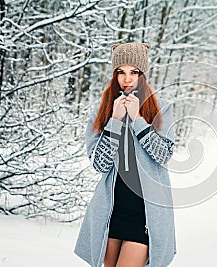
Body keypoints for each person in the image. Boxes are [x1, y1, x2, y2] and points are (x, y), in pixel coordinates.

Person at [74, 42, 177, 267]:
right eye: (121, 72)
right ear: (114, 75)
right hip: (111, 212)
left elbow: (163, 156)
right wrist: (115, 121)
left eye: (134, 72)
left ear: (143, 74)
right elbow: (100, 164)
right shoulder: (102, 111)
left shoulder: (161, 109)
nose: (127, 79)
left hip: (145, 213)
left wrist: (139, 120)